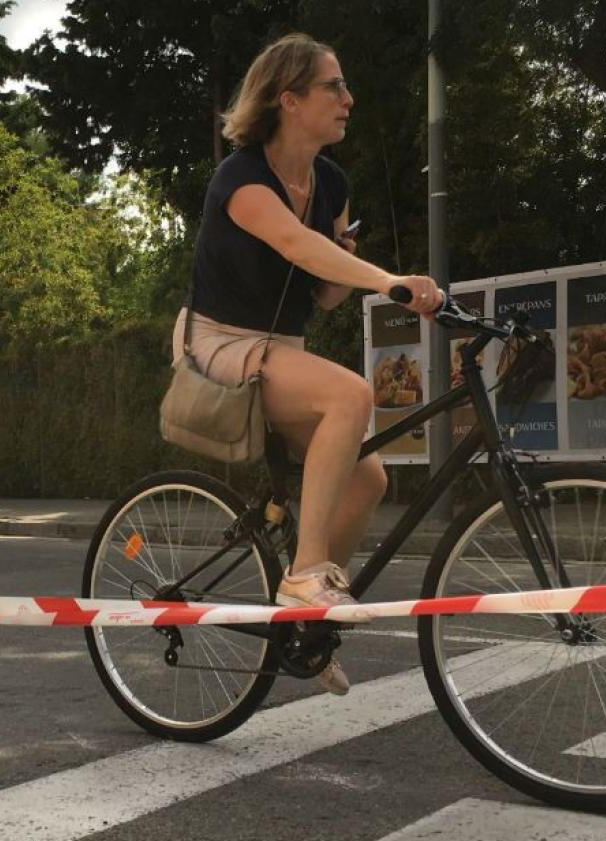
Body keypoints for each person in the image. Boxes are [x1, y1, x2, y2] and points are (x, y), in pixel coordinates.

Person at [175, 33, 443, 694]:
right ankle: (304, 578)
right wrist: (390, 280)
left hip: (280, 351)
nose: (348, 99)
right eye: (333, 87)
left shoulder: (332, 182)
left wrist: (350, 258)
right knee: (350, 396)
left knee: (370, 479)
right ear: (289, 99)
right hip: (220, 345)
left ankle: (309, 616)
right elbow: (294, 245)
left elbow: (322, 291)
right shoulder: (241, 177)